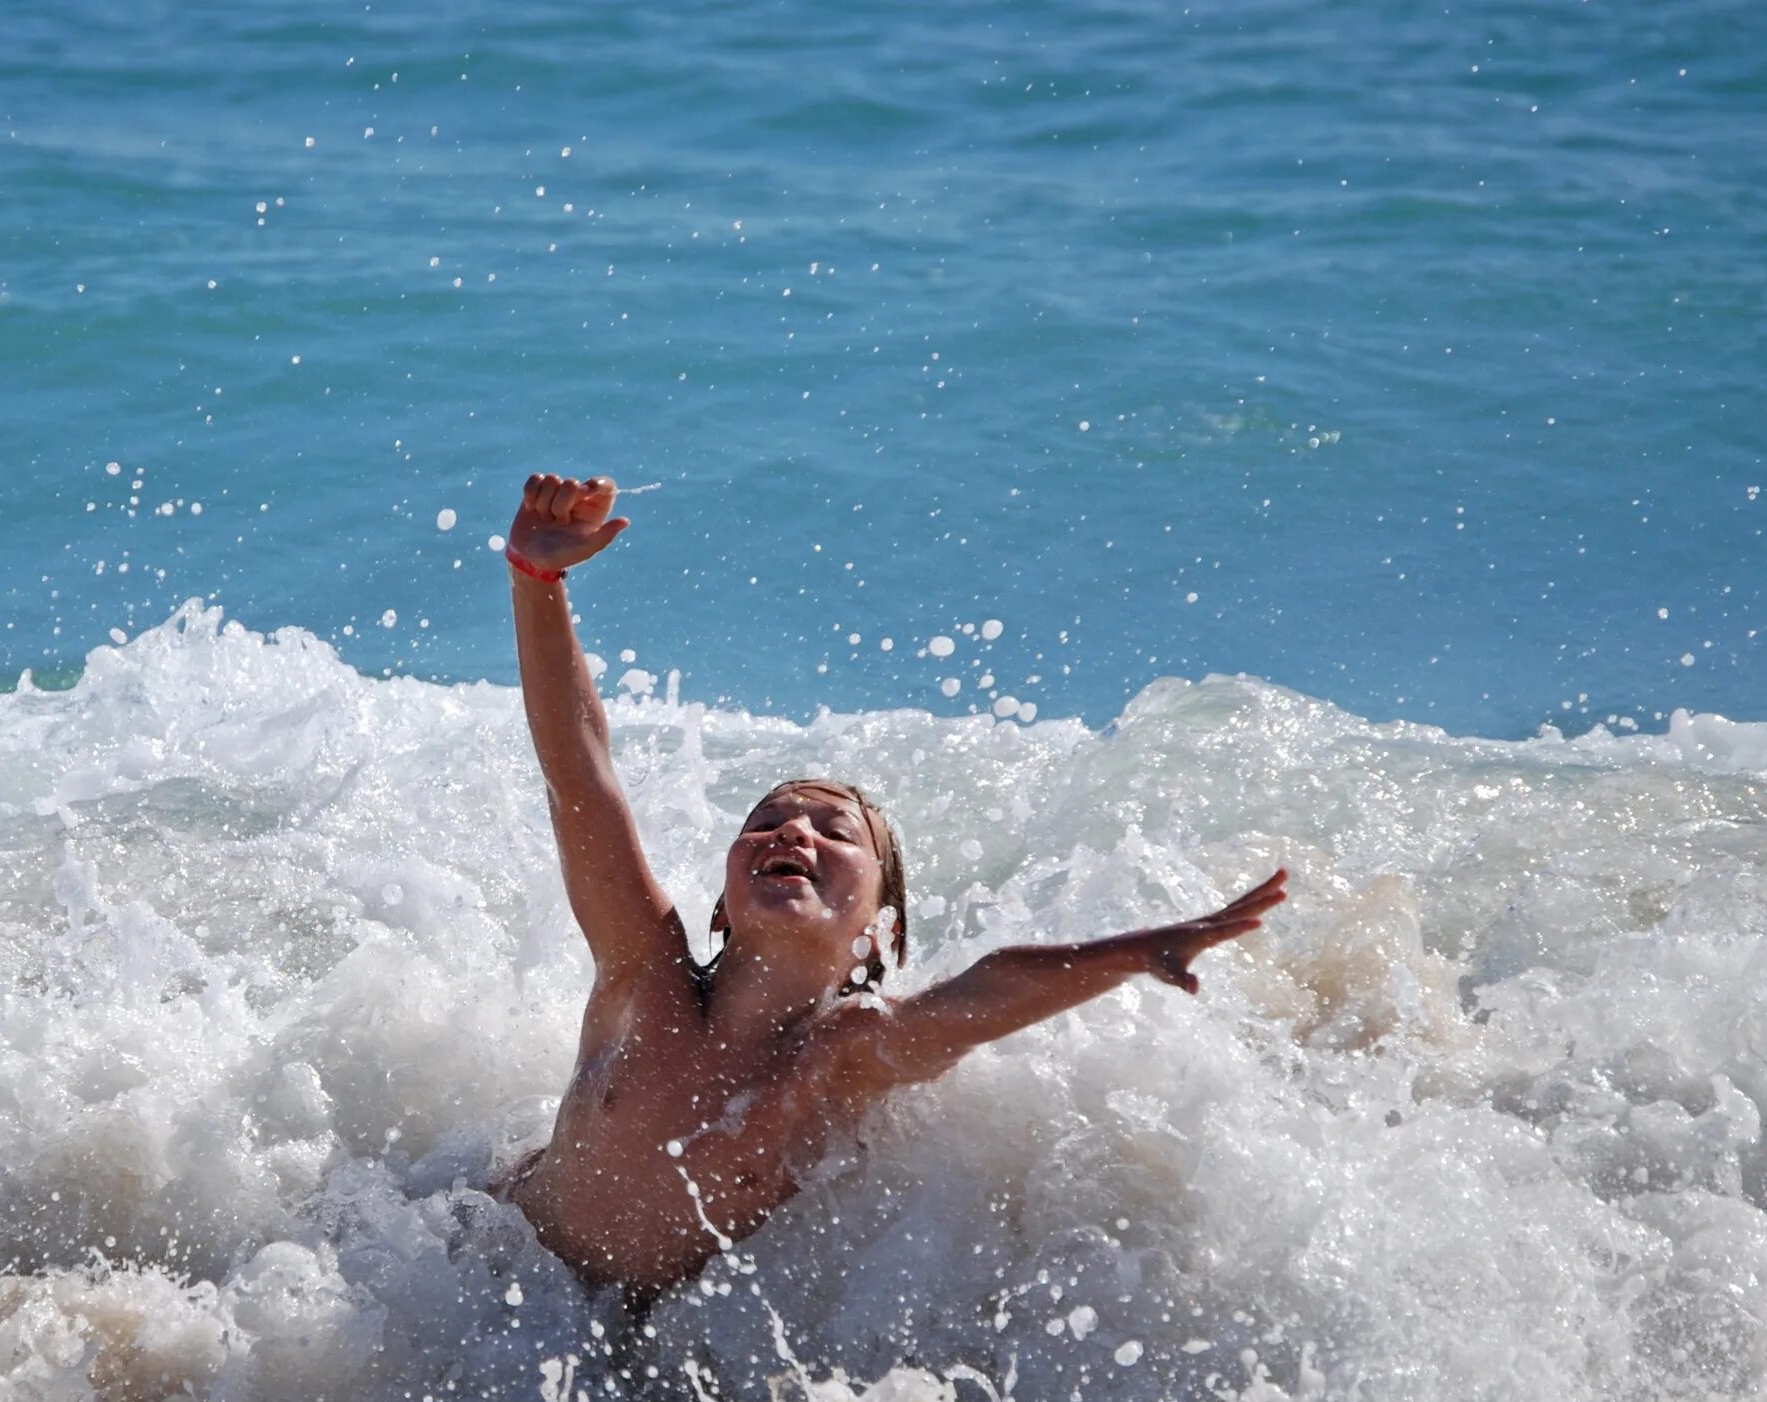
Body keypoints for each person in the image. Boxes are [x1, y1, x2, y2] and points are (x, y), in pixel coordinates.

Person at [493, 473, 1287, 1310]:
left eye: (835, 833)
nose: (794, 833)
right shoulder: (642, 972)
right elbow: (581, 774)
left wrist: (1132, 953)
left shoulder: (835, 1059)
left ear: (878, 933)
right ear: (723, 907)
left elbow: (984, 991)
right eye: (769, 820)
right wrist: (536, 578)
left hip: (621, 1344)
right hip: (488, 1274)